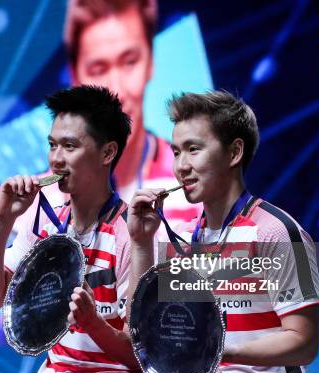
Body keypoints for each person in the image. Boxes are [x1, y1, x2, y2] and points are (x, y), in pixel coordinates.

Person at [127, 91, 319, 373]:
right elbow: (144, 332)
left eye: (194, 149)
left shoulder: (279, 232)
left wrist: (220, 352)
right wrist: (140, 243)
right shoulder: (188, 237)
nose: (181, 166)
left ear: (234, 152)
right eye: (176, 152)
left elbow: (305, 342)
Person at [0, 85, 145, 373]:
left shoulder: (131, 235)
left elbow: (141, 357)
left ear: (107, 153)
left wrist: (93, 324)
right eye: (52, 145)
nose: (56, 159)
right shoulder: (44, 222)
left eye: (69, 146)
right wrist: (2, 220)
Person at [39, 0, 200, 223]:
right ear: (74, 77)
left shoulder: (197, 193)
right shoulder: (38, 204)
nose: (117, 91)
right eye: (98, 70)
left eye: (130, 62)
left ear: (151, 61)